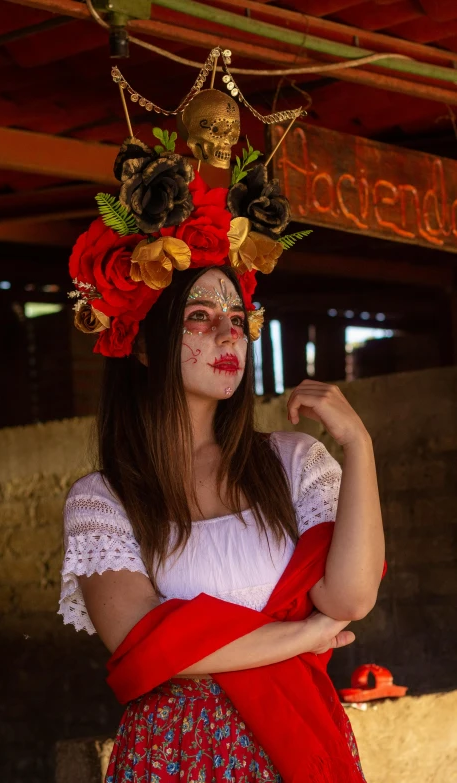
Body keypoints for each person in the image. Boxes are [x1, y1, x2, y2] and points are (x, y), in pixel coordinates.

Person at [59, 131, 385, 783]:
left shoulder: (293, 462)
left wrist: (358, 444)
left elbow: (347, 596)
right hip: (174, 756)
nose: (226, 332)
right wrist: (302, 636)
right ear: (146, 346)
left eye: (236, 318)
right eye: (200, 317)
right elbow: (145, 645)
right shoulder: (105, 499)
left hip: (294, 743)